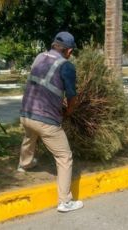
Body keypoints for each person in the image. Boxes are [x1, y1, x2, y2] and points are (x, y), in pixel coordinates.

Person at [18, 31, 83, 212]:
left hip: (26, 113)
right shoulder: (66, 66)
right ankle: (65, 201)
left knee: (30, 134)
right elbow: (71, 96)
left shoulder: (39, 57)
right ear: (69, 51)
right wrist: (68, 113)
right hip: (46, 120)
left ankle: (24, 163)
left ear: (54, 45)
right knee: (64, 156)